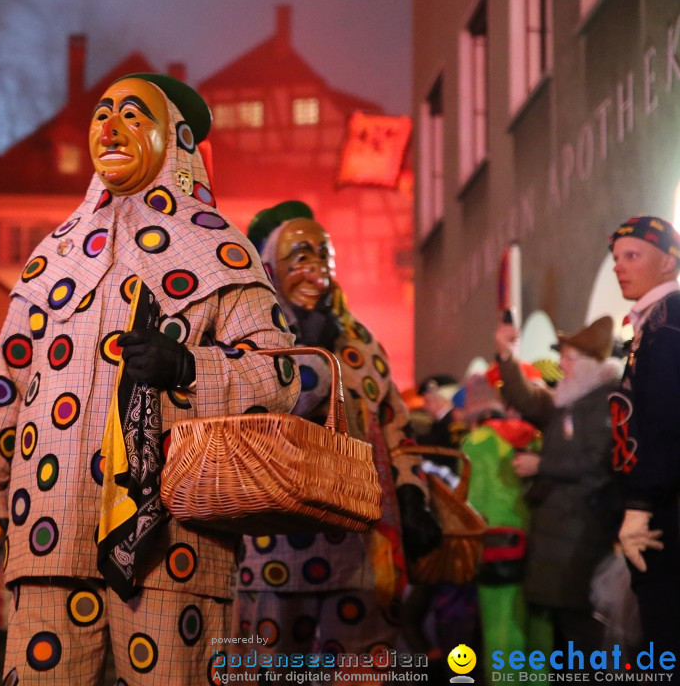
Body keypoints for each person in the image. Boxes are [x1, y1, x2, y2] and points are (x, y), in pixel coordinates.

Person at [0, 73, 299, 684]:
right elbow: (7, 379)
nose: (109, 127)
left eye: (135, 115)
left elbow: (281, 373)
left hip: (174, 540)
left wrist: (190, 367)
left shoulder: (222, 251)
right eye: (103, 113)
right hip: (49, 525)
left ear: (175, 139)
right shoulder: (52, 254)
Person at [231, 202, 441, 678]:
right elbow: (260, 409)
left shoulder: (361, 340)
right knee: (268, 671)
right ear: (269, 267)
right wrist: (314, 354)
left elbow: (395, 426)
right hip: (274, 554)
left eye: (323, 256)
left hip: (360, 555)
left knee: (361, 669)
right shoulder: (252, 331)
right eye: (298, 258)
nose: (314, 270)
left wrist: (412, 495)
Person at [495, 315, 621, 651]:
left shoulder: (603, 404)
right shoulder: (573, 401)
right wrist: (506, 358)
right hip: (560, 535)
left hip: (580, 534)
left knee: (580, 634)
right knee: (565, 635)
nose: (560, 364)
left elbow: (598, 464)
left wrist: (543, 464)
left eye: (568, 357)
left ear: (591, 364)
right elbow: (527, 398)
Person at [608, 215, 680, 655]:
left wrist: (639, 504)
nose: (619, 266)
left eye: (632, 255)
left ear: (669, 262)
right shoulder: (650, 324)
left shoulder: (667, 324)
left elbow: (667, 420)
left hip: (665, 515)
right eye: (615, 258)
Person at [459, 373, 552, 680]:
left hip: (496, 545)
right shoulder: (533, 437)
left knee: (501, 630)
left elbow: (469, 502)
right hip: (538, 543)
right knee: (539, 630)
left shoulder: (475, 442)